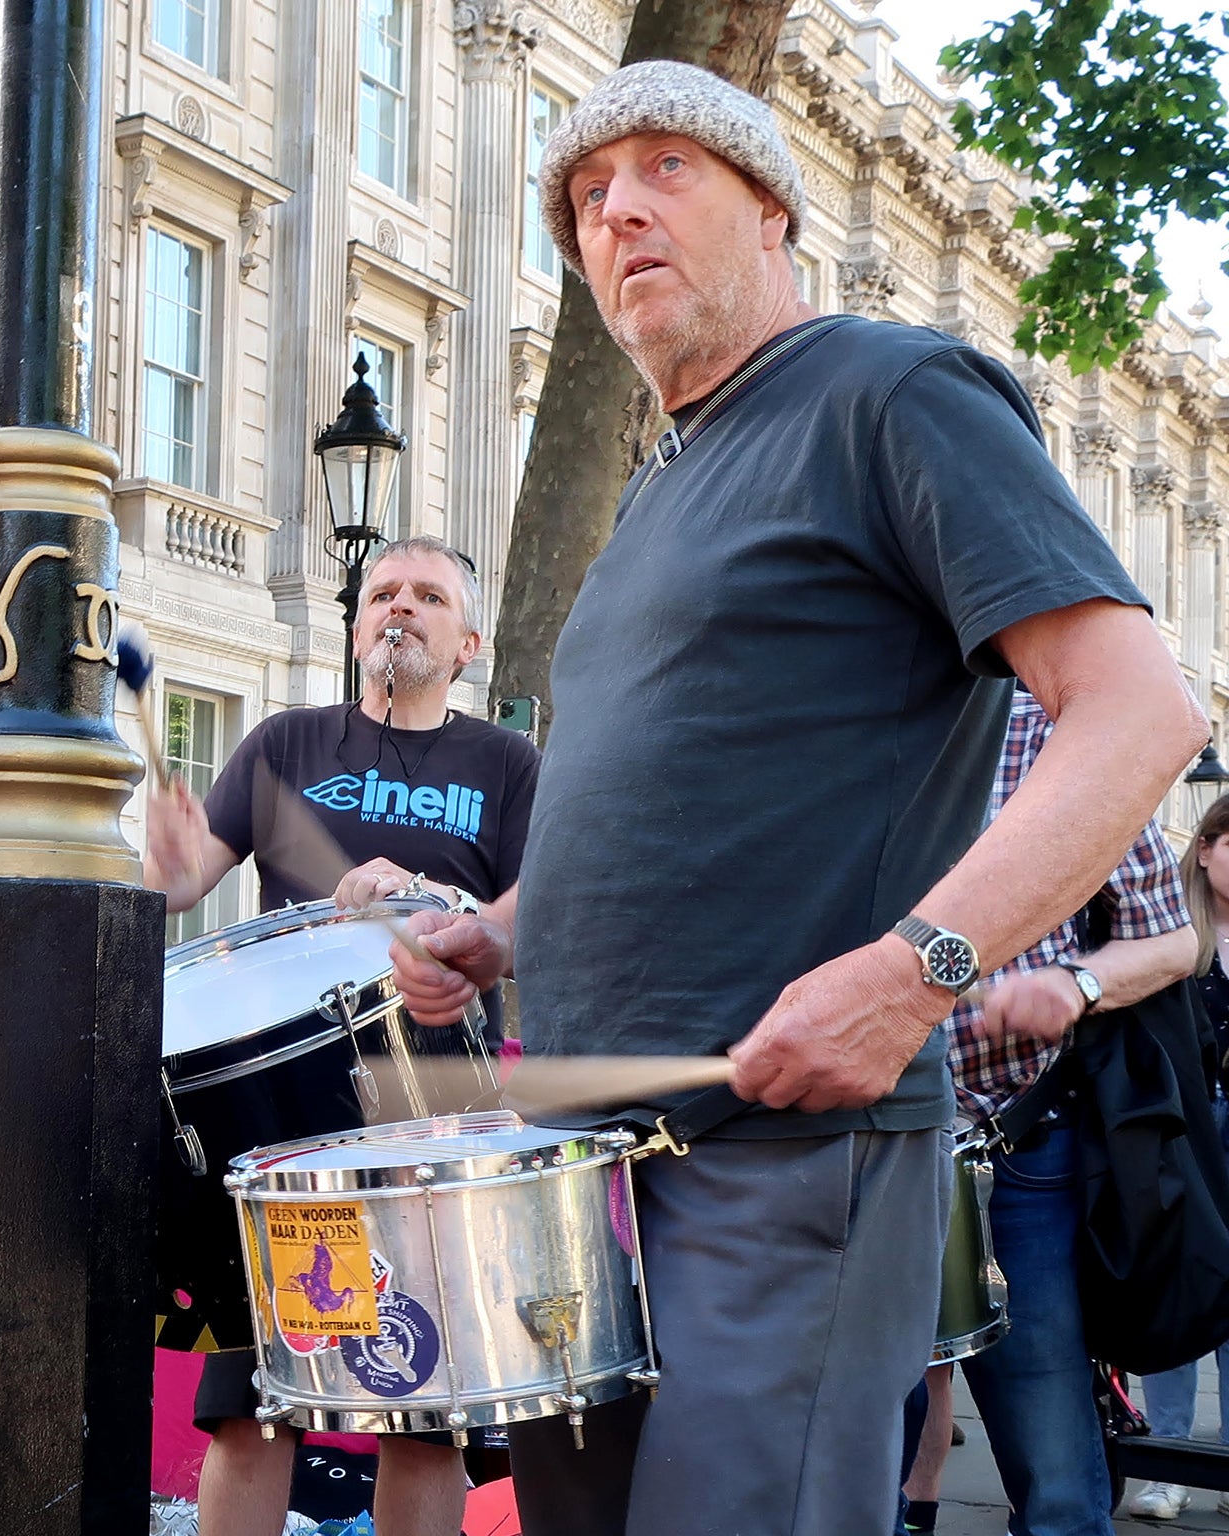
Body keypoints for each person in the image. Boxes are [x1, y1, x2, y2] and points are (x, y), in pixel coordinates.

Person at [387, 59, 1205, 1536]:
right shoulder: (658, 483)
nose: (617, 208)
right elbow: (683, 793)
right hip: (581, 1177)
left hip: (786, 1169)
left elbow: (1142, 713)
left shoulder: (895, 391)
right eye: (584, 196)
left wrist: (917, 977)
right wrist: (500, 931)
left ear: (774, 209)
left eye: (665, 167)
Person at [146, 534, 541, 1536]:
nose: (396, 610)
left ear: (467, 644)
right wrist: (160, 853)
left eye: (426, 598)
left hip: (433, 1104)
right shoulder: (284, 745)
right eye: (379, 595)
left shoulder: (504, 761)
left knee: (422, 1409)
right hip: (285, 1115)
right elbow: (178, 885)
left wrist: (432, 900)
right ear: (356, 625)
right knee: (257, 1404)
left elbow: (539, 908)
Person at [921, 688, 1196, 1536]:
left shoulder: (1056, 735)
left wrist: (1078, 984)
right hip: (823, 1149)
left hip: (1012, 1147)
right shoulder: (797, 715)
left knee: (1055, 1476)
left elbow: (1175, 939)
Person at [1128, 791, 1229, 1521]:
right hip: (1186, 1125)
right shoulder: (1172, 932)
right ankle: (1168, 1462)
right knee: (1177, 1277)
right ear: (1205, 848)